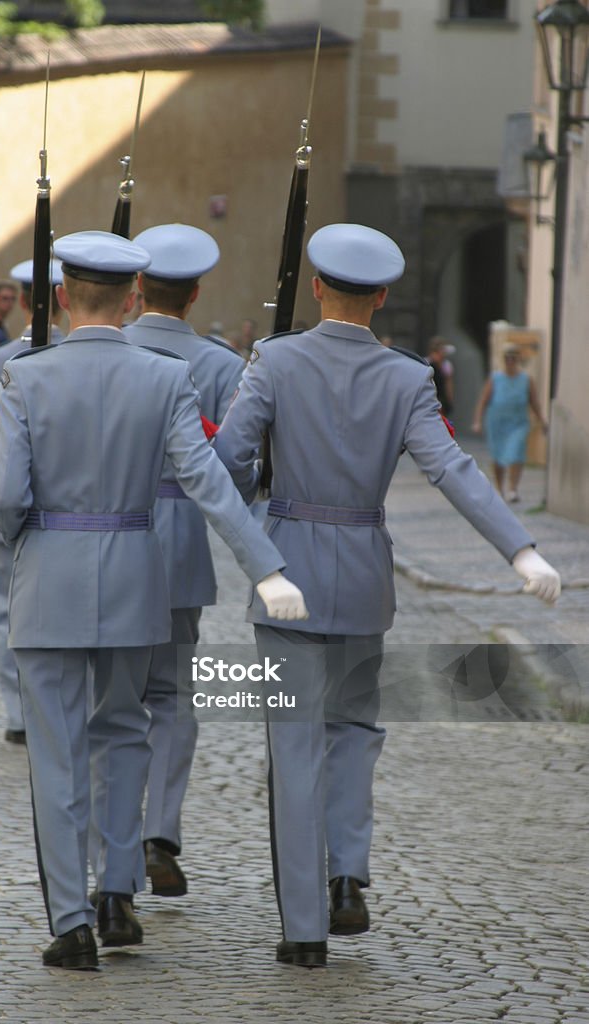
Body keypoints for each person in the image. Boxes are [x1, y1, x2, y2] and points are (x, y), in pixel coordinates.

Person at [213, 223, 561, 969]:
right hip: (365, 574)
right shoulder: (406, 377)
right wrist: (520, 548)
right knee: (353, 736)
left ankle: (304, 930)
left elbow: (228, 463)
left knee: (295, 744)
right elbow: (453, 470)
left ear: (314, 288)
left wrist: (251, 499)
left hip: (287, 562)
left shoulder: (273, 360)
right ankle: (347, 874)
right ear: (381, 296)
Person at [0, 230, 307, 972]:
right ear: (131, 300)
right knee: (125, 735)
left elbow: (3, 496)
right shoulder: (165, 376)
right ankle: (118, 892)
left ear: (61, 296)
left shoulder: (26, 375)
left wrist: (25, 534)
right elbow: (210, 486)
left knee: (58, 757)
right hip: (136, 572)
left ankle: (70, 923)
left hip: (51, 578)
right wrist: (266, 568)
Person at [123, 223, 245, 898]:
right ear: (195, 294)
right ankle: (158, 832)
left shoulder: (108, 351)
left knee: (109, 701)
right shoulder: (223, 365)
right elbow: (233, 471)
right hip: (182, 547)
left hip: (108, 539)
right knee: (171, 697)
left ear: (137, 287)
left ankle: (113, 849)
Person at [0, 258, 64, 745]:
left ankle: (20, 715)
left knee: (9, 611)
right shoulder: (88, 357)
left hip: (12, 508)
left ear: (24, 301)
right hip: (75, 510)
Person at [472, 344, 547, 502]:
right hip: (497, 423)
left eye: (513, 358)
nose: (510, 361)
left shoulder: (526, 379)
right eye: (507, 358)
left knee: (516, 453)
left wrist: (542, 419)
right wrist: (477, 421)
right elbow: (483, 401)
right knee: (498, 457)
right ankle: (500, 489)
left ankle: (513, 488)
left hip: (518, 423)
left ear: (518, 360)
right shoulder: (495, 378)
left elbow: (534, 402)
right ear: (504, 360)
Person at [427, 336, 455, 418]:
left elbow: (448, 385)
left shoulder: (445, 365)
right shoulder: (427, 364)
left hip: (441, 400)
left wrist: (449, 401)